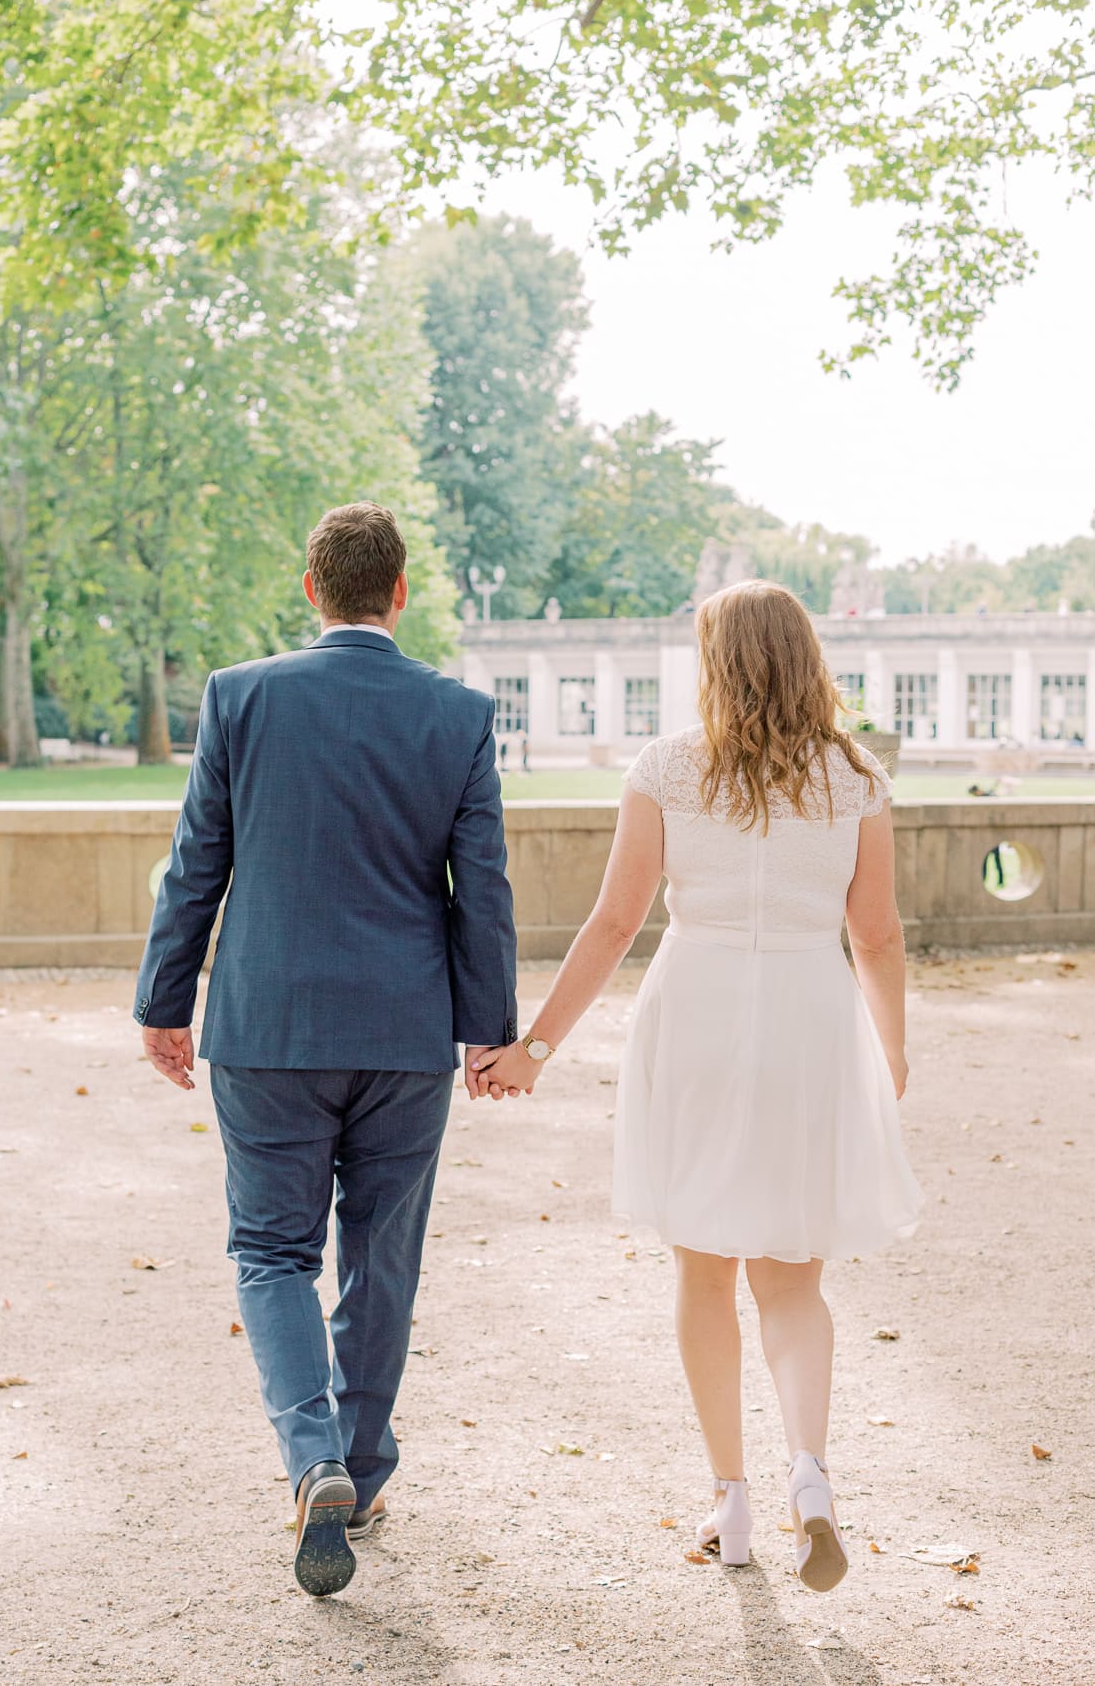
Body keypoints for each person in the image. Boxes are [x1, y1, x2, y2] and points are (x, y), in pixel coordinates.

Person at [475, 579, 922, 1593]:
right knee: (794, 1276)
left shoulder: (669, 767)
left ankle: (733, 1499)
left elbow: (615, 922)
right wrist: (888, 1052)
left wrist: (536, 1049)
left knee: (704, 1271)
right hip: (812, 1014)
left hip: (700, 1015)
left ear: (714, 662)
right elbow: (879, 935)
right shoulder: (855, 776)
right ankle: (811, 1472)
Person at [134, 502, 517, 1598]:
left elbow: (194, 866)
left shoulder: (241, 697)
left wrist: (165, 1001)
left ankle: (314, 1462)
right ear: (399, 593)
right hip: (404, 1033)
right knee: (380, 1258)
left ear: (313, 592)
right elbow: (477, 891)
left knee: (270, 1252)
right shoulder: (458, 712)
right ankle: (366, 1468)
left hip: (271, 1028)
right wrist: (488, 1029)